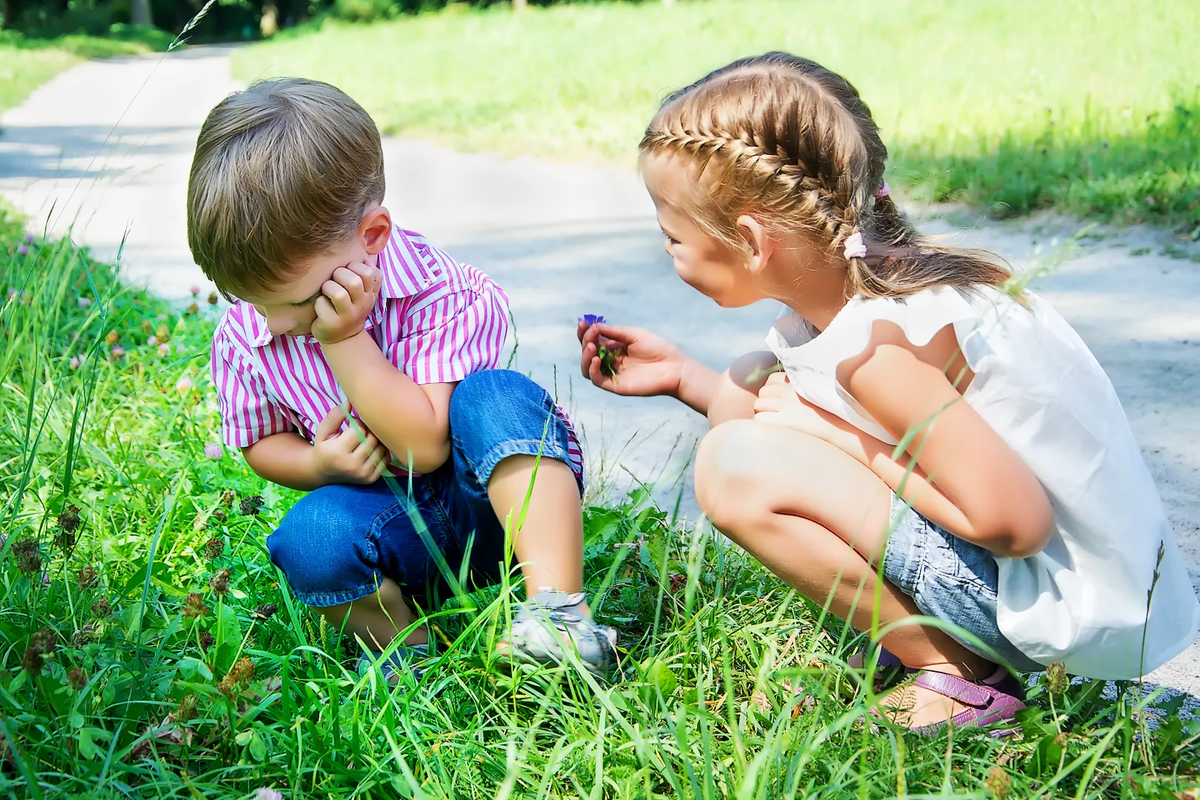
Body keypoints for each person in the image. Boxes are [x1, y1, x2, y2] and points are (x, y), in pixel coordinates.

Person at [577, 52, 1198, 732]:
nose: (667, 250)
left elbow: (1014, 525)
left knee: (731, 467)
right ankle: (927, 642)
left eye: (673, 236)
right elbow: (775, 401)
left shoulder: (881, 351)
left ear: (752, 241)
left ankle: (958, 674)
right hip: (1054, 586)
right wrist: (688, 380)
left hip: (1061, 608)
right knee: (753, 377)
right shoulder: (878, 292)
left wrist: (834, 434)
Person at [187, 77, 617, 680]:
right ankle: (406, 654)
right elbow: (260, 441)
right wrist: (315, 467)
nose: (275, 323)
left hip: (490, 511)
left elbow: (424, 445)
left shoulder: (443, 293)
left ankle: (558, 615)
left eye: (300, 301)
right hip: (386, 522)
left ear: (372, 238)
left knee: (496, 398)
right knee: (309, 536)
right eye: (248, 299)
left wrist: (342, 339)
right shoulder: (248, 330)